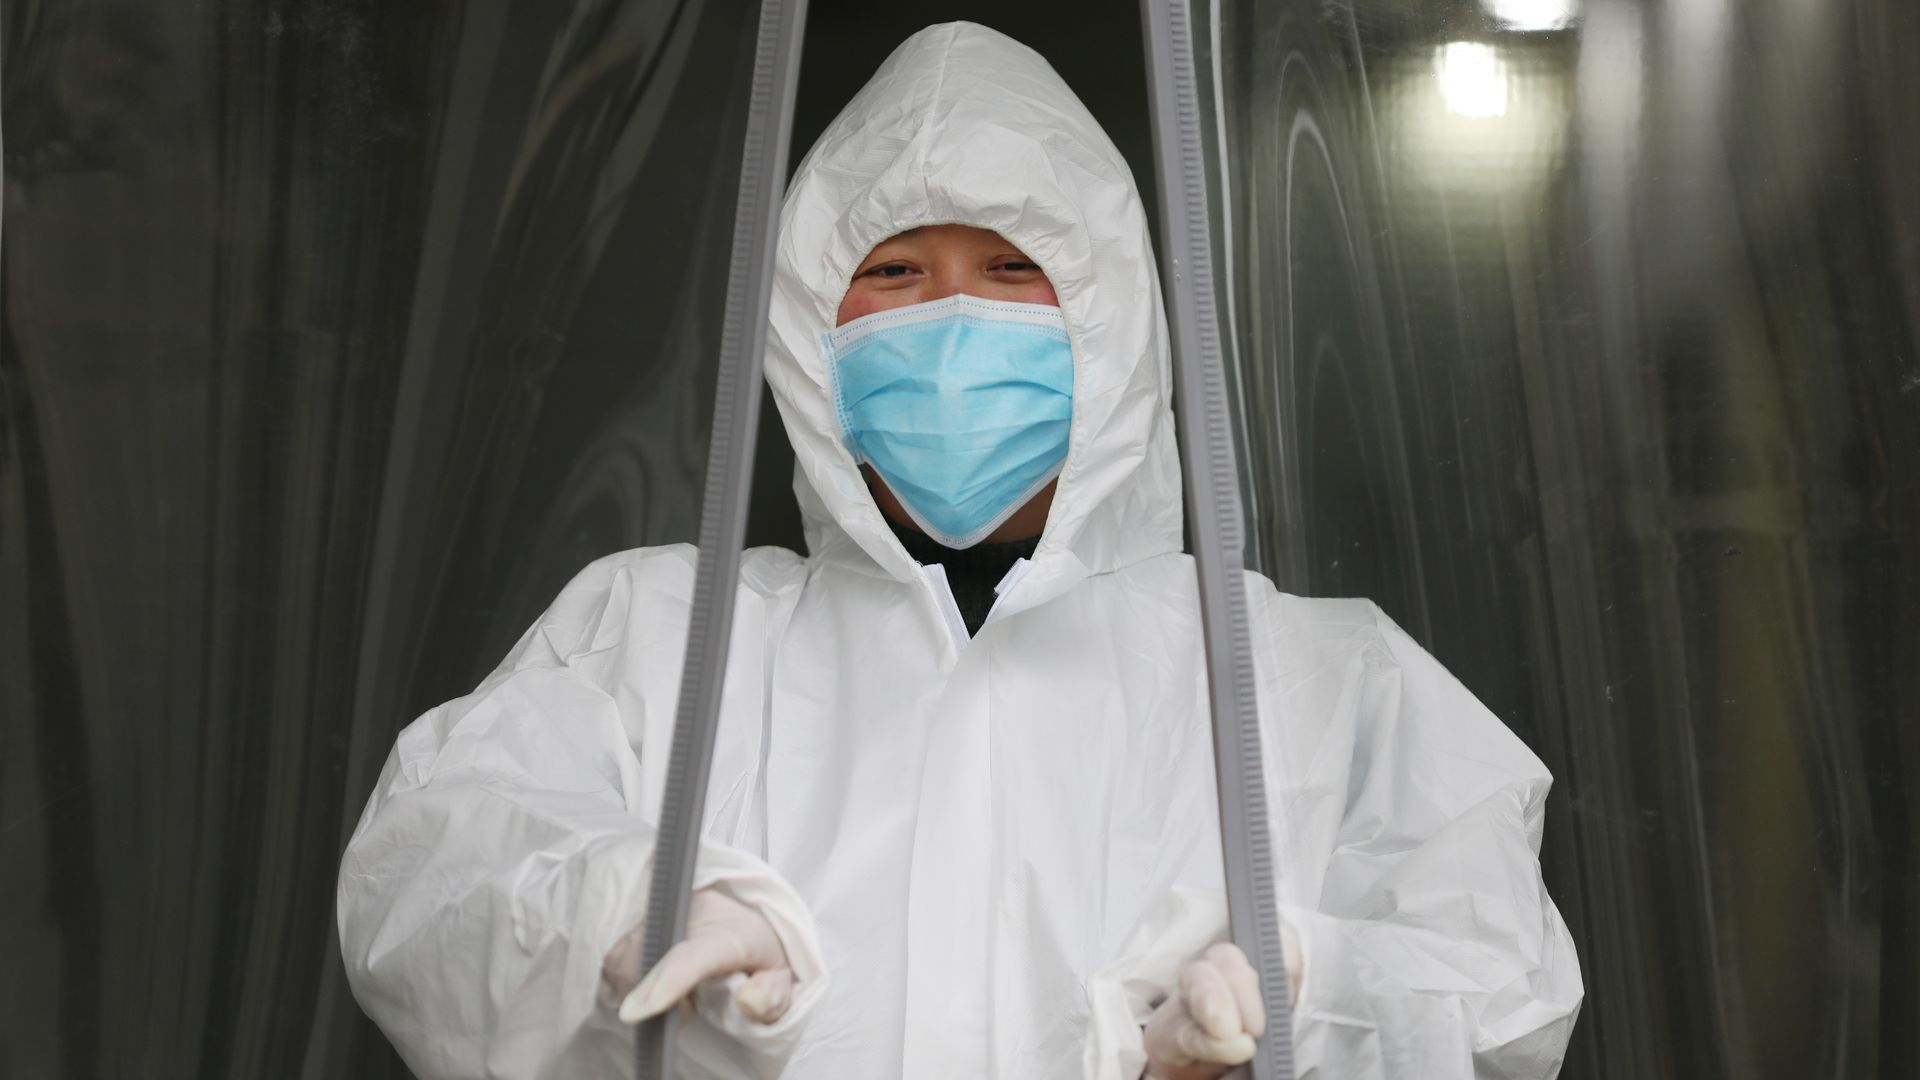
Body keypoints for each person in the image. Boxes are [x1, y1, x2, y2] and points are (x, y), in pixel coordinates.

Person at [336, 21, 1583, 1080]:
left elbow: (1498, 984)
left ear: (1116, 320)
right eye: (892, 271)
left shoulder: (1299, 680)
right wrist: (631, 908)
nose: (949, 321)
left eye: (1009, 268)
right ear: (807, 325)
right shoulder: (666, 638)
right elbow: (431, 864)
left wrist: (1313, 996)